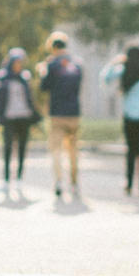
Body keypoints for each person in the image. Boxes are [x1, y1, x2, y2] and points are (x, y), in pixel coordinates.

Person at [102, 46, 139, 196]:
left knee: (131, 151)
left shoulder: (124, 70)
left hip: (130, 117)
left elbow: (105, 78)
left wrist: (114, 62)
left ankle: (128, 184)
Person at [37, 32, 85, 199]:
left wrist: (42, 71)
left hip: (57, 113)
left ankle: (59, 181)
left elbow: (44, 87)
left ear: (53, 48)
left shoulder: (51, 64)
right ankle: (74, 182)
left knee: (56, 149)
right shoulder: (78, 63)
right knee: (73, 149)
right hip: (74, 113)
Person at [0, 47, 39, 191]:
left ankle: (19, 179)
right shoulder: (2, 77)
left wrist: (35, 117)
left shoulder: (25, 77)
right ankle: (5, 180)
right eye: (16, 62)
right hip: (9, 118)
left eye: (20, 62)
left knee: (22, 149)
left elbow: (30, 98)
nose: (18, 65)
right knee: (8, 148)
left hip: (24, 117)